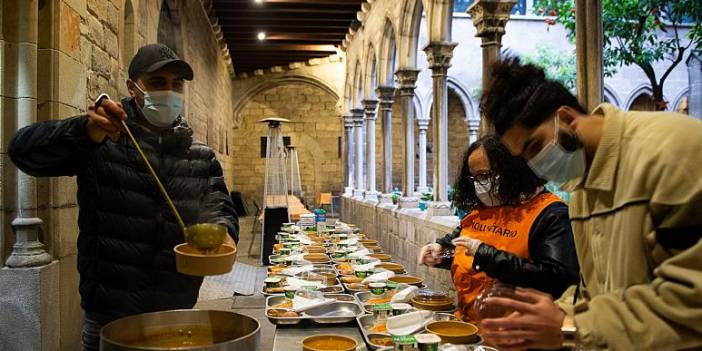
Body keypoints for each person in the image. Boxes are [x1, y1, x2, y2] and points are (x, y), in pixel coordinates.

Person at [8, 44, 239, 351]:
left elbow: (219, 206)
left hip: (176, 313)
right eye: (157, 83)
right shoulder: (102, 142)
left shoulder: (201, 156)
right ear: (133, 86)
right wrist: (83, 132)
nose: (169, 91)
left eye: (176, 84)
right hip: (110, 318)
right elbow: (23, 152)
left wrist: (222, 231)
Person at [477, 56, 702, 350]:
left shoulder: (672, 149)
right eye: (525, 156)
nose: (535, 164)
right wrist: (550, 313)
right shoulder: (581, 187)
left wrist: (570, 325)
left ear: (567, 118)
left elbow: (692, 303)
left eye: (534, 145)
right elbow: (597, 293)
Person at [418, 136, 579, 322]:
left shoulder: (550, 214)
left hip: (517, 336)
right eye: (474, 177)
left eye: (485, 175)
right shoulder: (484, 208)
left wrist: (487, 256)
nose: (480, 184)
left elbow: (557, 280)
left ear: (511, 169)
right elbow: (462, 246)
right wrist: (440, 251)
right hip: (469, 327)